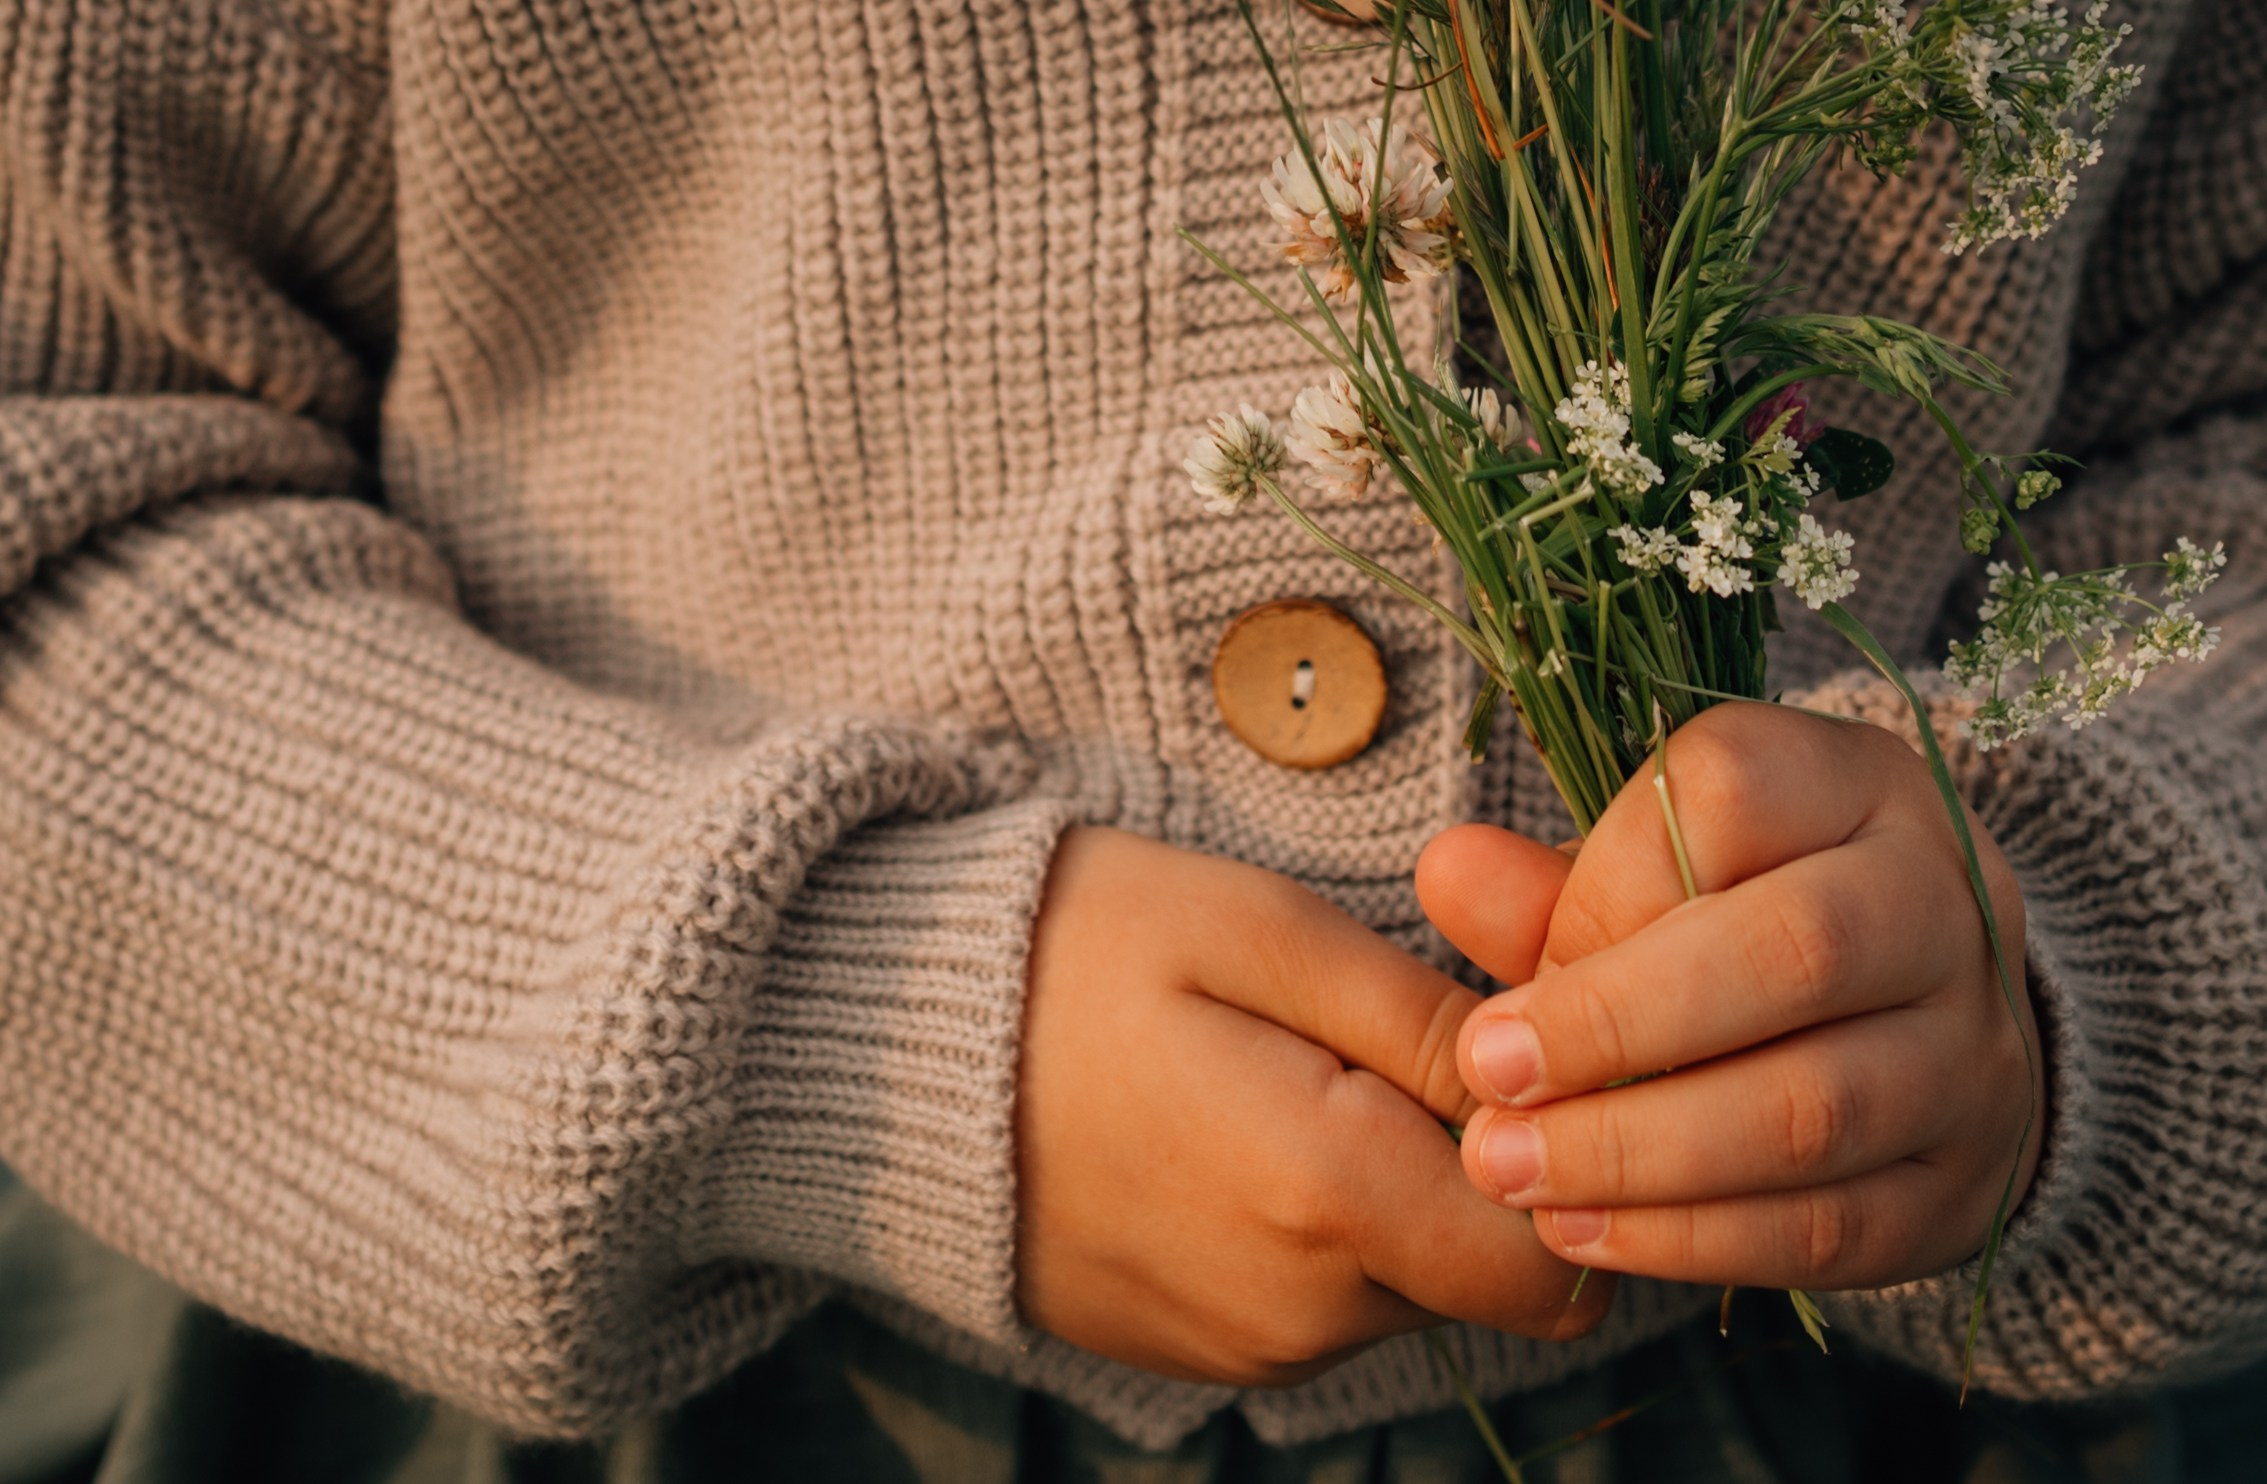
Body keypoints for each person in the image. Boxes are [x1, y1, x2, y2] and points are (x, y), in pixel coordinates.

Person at [0, 0, 2262, 1479]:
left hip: (1846, 1390)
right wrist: (834, 1015)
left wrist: (2074, 968)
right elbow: (57, 484)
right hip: (619, 1353)